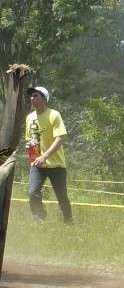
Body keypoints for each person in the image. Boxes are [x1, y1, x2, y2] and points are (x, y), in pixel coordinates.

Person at [25, 86, 73, 223]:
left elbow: (59, 139)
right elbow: (30, 139)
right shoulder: (29, 118)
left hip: (56, 165)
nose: (32, 98)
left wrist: (44, 156)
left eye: (35, 96)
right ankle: (40, 219)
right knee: (32, 193)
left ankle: (68, 221)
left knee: (62, 196)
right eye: (31, 96)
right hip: (37, 165)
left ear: (44, 99)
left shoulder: (54, 115)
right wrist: (30, 148)